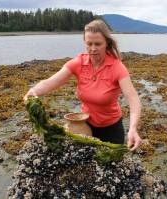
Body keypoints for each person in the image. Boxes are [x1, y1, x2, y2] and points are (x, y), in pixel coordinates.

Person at [23, 19, 142, 151]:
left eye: (98, 44)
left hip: (111, 129)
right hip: (84, 126)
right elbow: (52, 82)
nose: (93, 49)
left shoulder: (117, 67)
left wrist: (133, 128)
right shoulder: (79, 62)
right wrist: (33, 91)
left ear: (107, 43)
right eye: (89, 43)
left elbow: (133, 99)